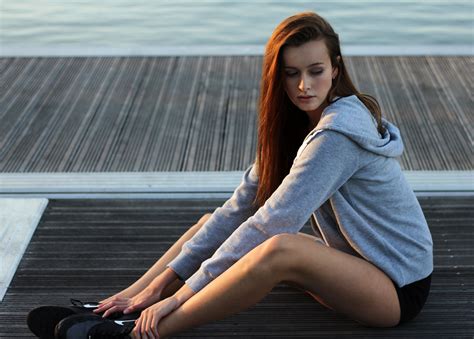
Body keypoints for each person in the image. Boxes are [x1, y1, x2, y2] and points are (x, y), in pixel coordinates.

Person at [38, 11, 434, 339]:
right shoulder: (297, 128)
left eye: (315, 71)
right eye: (291, 73)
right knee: (211, 223)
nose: (303, 85)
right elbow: (240, 207)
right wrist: (153, 287)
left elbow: (273, 221)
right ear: (276, 76)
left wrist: (181, 295)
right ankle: (122, 303)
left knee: (281, 247)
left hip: (395, 287)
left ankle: (144, 331)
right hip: (350, 263)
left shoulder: (337, 135)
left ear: (335, 69)